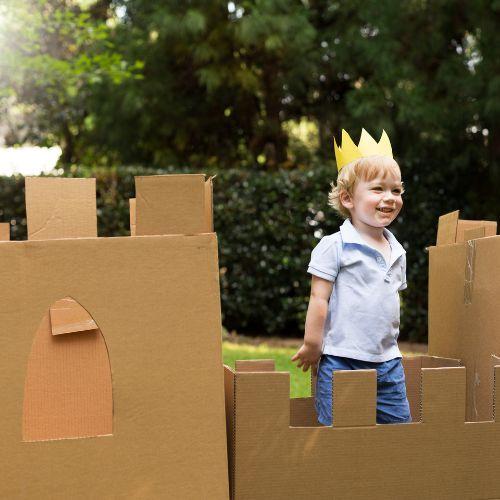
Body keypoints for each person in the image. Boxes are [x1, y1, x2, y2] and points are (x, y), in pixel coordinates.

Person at [291, 128, 411, 425]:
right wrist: (312, 343)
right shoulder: (336, 245)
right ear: (347, 198)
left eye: (396, 190)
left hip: (388, 363)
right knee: (340, 433)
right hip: (342, 359)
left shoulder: (396, 250)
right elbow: (319, 298)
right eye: (377, 189)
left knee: (400, 433)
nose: (390, 198)